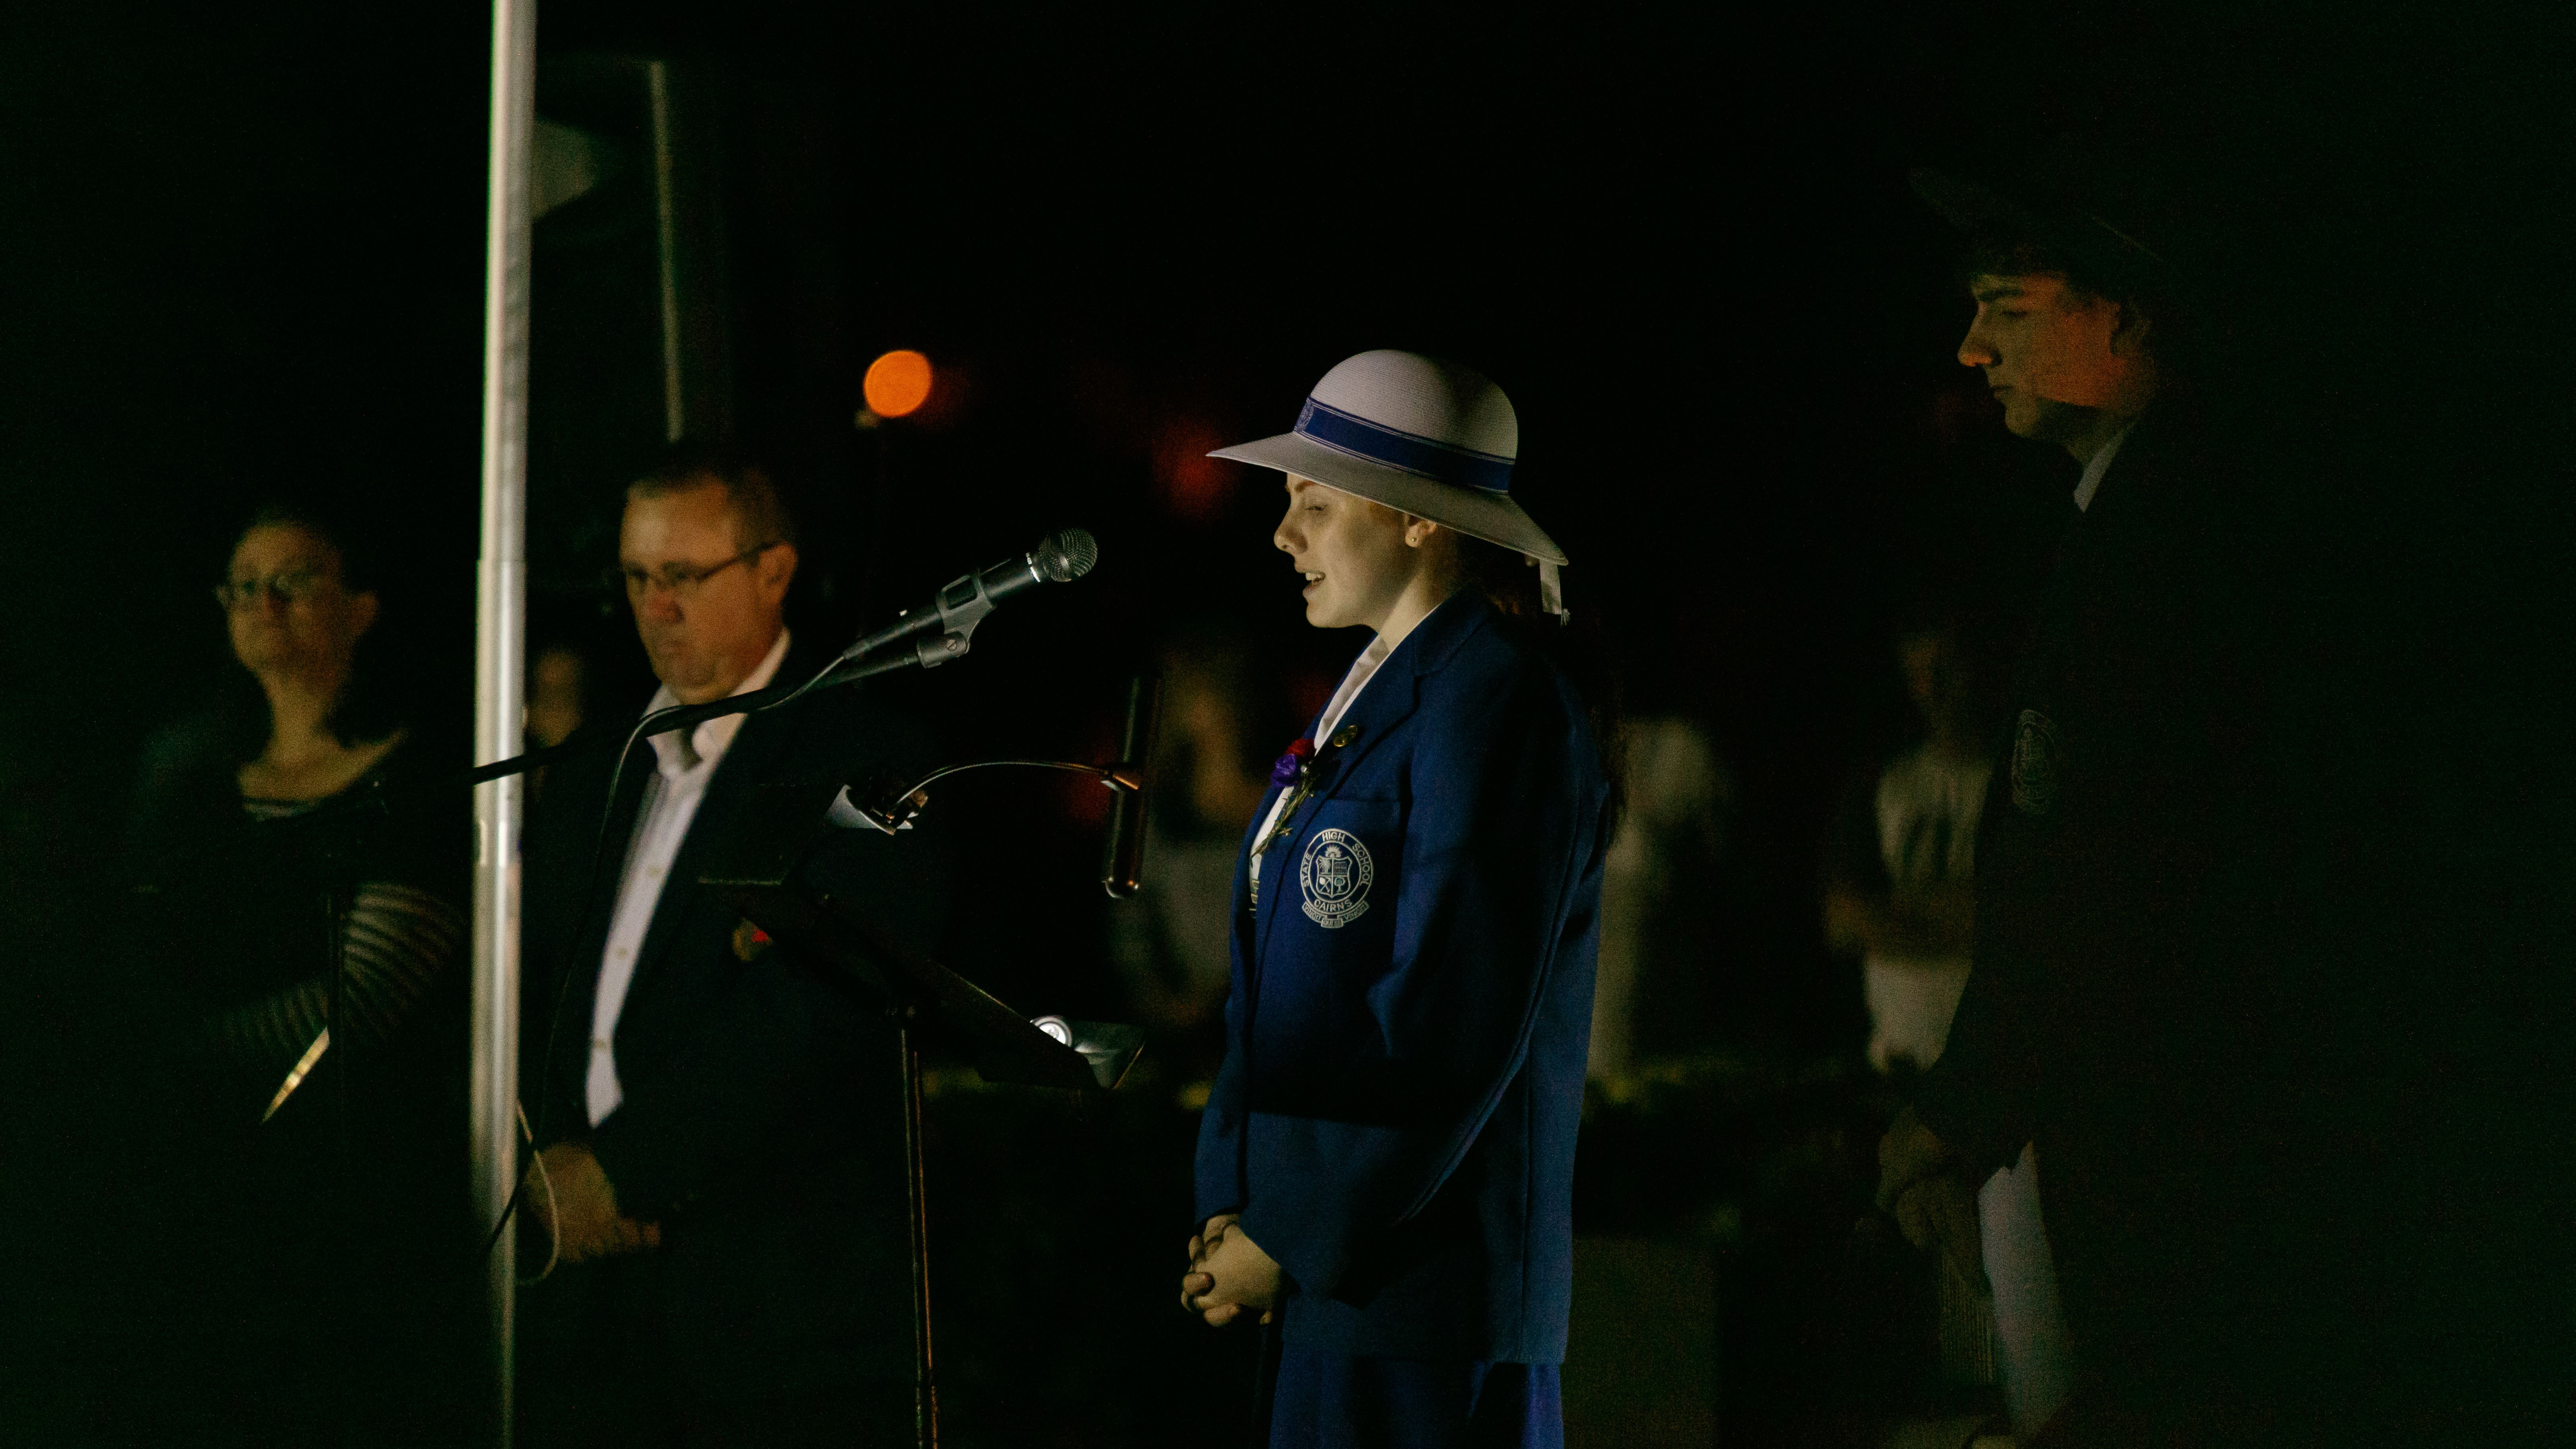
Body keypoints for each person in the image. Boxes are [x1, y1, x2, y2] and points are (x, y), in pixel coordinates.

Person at [1871, 144, 2332, 1441]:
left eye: (2008, 309)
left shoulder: (2164, 542)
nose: (1971, 349)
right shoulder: (2161, 515)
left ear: (2126, 318)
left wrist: (1958, 1111)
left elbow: (2102, 880)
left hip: (2172, 1156)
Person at [1179, 350, 1614, 1448]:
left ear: (1422, 520)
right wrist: (1233, 1200)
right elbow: (1281, 983)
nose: (1286, 536)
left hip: (1421, 1297)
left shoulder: (1495, 699)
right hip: (1335, 1279)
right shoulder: (1379, 690)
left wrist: (1287, 1232)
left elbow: (1448, 1018)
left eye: (1315, 505)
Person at [516, 446, 947, 1445]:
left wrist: (626, 1167)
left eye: (681, 574)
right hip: (588, 1294)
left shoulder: (857, 756)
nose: (654, 604)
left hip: (770, 1299)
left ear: (773, 570)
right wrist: (551, 1168)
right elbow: (544, 982)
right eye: (636, 576)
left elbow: (817, 1007)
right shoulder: (596, 770)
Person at [124, 501, 476, 1445]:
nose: (262, 604)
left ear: (361, 606)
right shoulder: (184, 774)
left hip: (360, 1183)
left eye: (293, 581)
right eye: (243, 587)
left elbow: (363, 998)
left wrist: (182, 1060)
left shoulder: (418, 777)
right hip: (201, 1186)